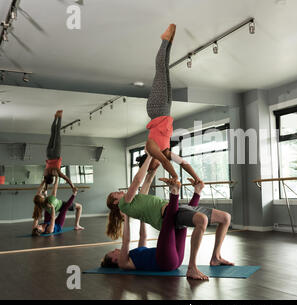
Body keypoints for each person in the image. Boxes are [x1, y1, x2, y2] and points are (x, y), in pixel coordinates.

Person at [104, 152, 233, 280]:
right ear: (116, 202)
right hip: (167, 221)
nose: (120, 191)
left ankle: (216, 256)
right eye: (116, 193)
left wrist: (153, 168)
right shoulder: (124, 204)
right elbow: (137, 180)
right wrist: (149, 154)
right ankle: (175, 193)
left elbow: (147, 181)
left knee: (225, 218)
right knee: (200, 219)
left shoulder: (135, 202)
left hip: (174, 222)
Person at [144, 24, 200, 183]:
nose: (156, 166)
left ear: (149, 163)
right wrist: (196, 178)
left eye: (153, 166)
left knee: (160, 71)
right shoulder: (166, 152)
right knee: (165, 71)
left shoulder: (151, 148)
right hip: (165, 111)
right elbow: (183, 163)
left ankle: (164, 41)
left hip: (156, 110)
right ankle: (168, 42)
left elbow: (165, 162)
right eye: (155, 167)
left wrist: (175, 177)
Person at [42, 110, 76, 190]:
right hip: (52, 154)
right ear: (47, 176)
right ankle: (57, 117)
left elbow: (67, 179)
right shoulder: (51, 173)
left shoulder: (51, 174)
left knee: (55, 134)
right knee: (55, 134)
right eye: (45, 176)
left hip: (52, 154)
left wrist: (45, 188)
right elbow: (67, 179)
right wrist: (73, 186)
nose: (44, 173)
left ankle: (57, 117)